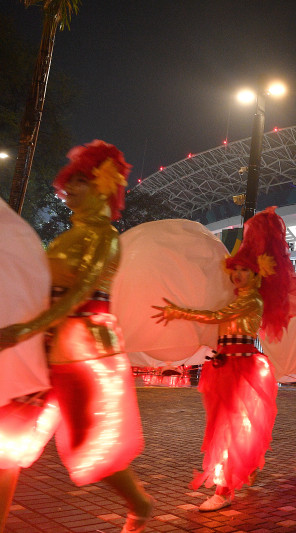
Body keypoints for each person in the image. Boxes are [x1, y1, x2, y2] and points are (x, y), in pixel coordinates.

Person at [0, 141, 153, 533]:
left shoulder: (105, 237)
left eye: (80, 180)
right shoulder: (66, 237)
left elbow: (79, 294)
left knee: (92, 447)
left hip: (83, 354)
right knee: (7, 443)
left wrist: (23, 330)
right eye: (68, 181)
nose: (67, 188)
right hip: (42, 348)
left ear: (103, 186)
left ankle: (139, 502)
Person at [152, 207, 296, 511]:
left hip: (241, 368)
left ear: (256, 274)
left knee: (228, 425)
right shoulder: (238, 296)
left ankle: (224, 491)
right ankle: (242, 467)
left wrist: (179, 312)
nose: (237, 275)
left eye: (244, 271)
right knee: (225, 424)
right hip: (225, 365)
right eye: (234, 270)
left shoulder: (251, 299)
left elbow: (217, 317)